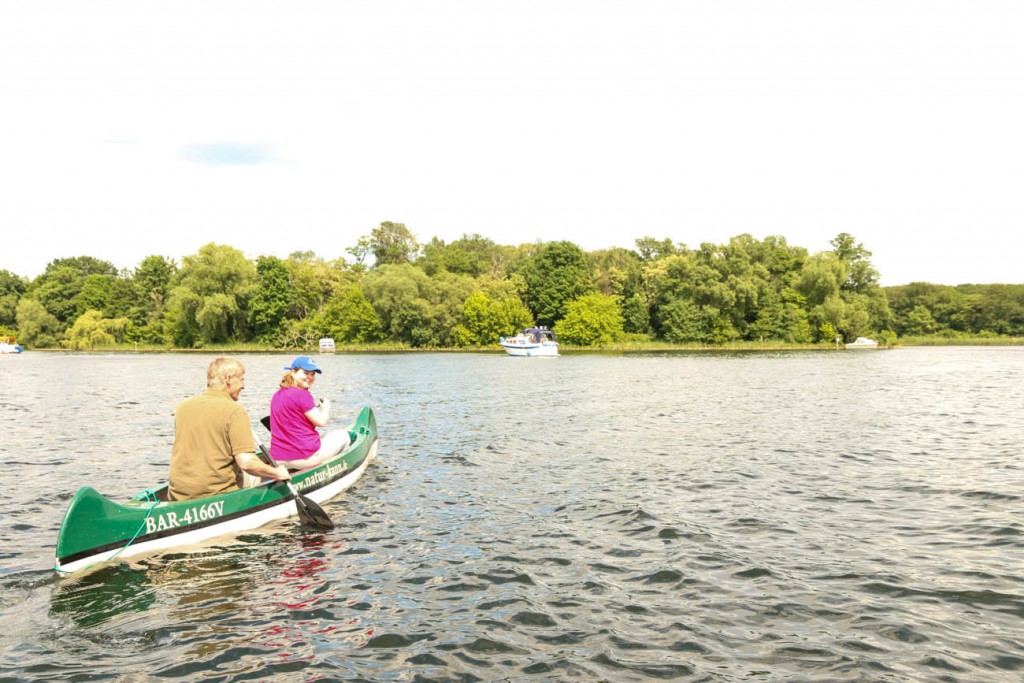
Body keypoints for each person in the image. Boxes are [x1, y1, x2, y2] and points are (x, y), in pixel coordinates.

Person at [168, 357, 290, 501]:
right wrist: (276, 472)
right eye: (242, 380)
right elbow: (246, 462)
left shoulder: (182, 407)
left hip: (178, 494)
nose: (243, 386)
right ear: (229, 379)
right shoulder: (235, 411)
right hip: (217, 494)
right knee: (259, 476)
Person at [269, 355, 351, 471]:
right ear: (293, 373)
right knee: (343, 435)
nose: (310, 377)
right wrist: (326, 408)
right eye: (305, 373)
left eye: (312, 374)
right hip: (304, 458)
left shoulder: (277, 395)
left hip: (278, 459)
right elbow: (321, 422)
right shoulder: (303, 395)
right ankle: (336, 470)